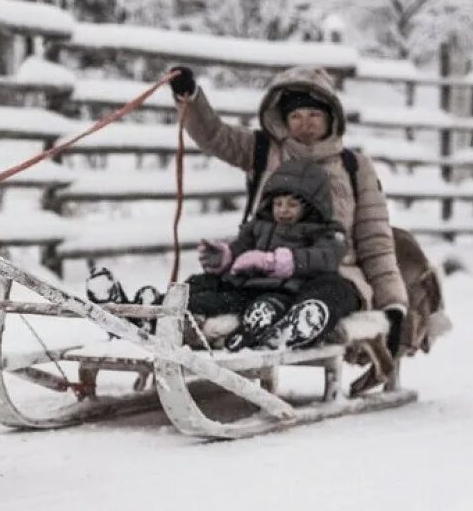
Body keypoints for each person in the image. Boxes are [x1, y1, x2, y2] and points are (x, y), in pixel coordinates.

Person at [169, 65, 408, 356]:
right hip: (264, 273)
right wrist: (191, 98)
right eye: (295, 115)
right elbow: (216, 136)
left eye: (314, 114)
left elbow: (376, 244)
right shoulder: (264, 150)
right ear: (282, 119)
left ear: (332, 116)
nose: (304, 123)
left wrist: (393, 306)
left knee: (329, 293)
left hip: (333, 274)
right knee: (212, 287)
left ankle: (299, 323)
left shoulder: (354, 168)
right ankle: (163, 312)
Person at [188, 157, 347, 351]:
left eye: (292, 205)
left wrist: (273, 262)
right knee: (204, 288)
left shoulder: (322, 232)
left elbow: (325, 257)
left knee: (268, 307)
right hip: (245, 289)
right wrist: (225, 257)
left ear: (311, 207)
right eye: (278, 204)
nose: (283, 211)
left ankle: (256, 329)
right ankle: (168, 310)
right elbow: (240, 248)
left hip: (285, 292)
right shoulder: (258, 227)